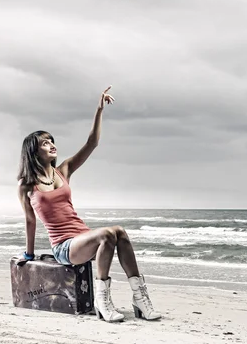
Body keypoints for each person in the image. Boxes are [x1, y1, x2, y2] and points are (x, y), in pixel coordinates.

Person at [16, 86, 161, 323]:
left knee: (120, 233)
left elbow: (91, 143)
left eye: (52, 141)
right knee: (107, 234)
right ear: (33, 151)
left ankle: (140, 298)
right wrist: (29, 254)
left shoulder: (63, 171)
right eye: (45, 143)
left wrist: (99, 110)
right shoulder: (26, 185)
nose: (52, 145)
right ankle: (102, 301)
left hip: (84, 238)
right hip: (64, 247)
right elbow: (30, 220)